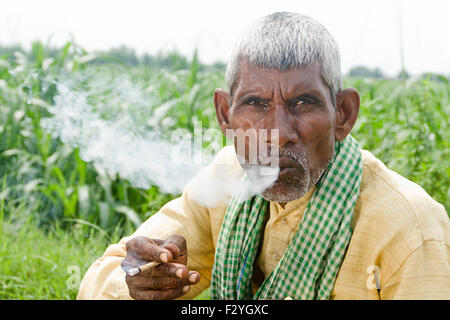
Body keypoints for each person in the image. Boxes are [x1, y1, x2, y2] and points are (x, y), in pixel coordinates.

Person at [77, 12, 449, 300]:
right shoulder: (226, 180)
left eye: (303, 102)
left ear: (344, 115)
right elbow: (102, 278)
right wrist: (140, 282)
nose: (278, 134)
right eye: (255, 104)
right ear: (225, 115)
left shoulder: (410, 227)